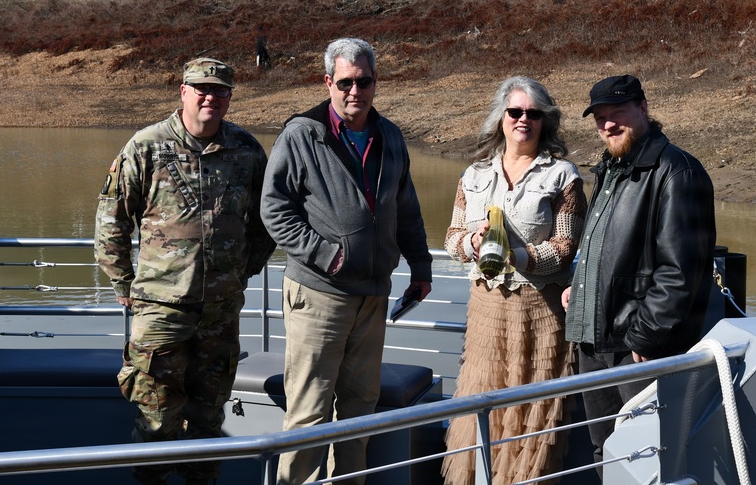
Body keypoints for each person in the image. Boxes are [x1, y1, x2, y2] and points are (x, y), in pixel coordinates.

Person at [94, 57, 276, 485]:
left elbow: (268, 219)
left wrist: (242, 271)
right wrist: (124, 282)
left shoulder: (246, 150)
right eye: (201, 89)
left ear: (230, 96)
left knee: (210, 418)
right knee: (156, 418)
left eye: (220, 90)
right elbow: (111, 220)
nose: (210, 97)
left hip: (220, 312)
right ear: (184, 92)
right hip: (161, 310)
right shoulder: (147, 145)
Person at [260, 37, 433, 485]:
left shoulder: (389, 135)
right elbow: (274, 209)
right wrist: (327, 256)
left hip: (372, 296)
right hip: (319, 294)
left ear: (376, 82)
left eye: (364, 81)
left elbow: (407, 209)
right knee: (309, 414)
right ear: (328, 83)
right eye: (345, 82)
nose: (355, 91)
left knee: (359, 412)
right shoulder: (302, 135)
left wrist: (421, 267)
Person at [562, 74, 716, 467]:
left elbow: (680, 273)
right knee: (604, 453)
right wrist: (581, 287)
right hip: (594, 342)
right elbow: (605, 247)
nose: (608, 124)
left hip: (636, 351)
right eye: (600, 117)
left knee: (648, 456)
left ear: (643, 108)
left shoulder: (678, 171)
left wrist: (645, 338)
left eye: (618, 113)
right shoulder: (610, 170)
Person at [442, 76, 587, 485]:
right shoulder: (473, 175)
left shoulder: (563, 176)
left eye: (533, 113)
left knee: (532, 417)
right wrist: (471, 243)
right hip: (486, 313)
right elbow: (451, 238)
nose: (524, 119)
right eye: (515, 112)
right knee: (482, 408)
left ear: (545, 121)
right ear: (500, 118)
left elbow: (566, 246)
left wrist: (518, 257)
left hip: (540, 314)